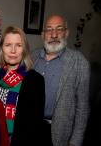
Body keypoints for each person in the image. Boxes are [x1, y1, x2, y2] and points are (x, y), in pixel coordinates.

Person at [31, 15, 90, 146]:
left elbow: (83, 108)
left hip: (60, 135)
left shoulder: (79, 62)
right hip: (30, 130)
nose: (54, 35)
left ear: (66, 33)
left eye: (59, 29)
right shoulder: (32, 58)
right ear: (43, 35)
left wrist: (75, 142)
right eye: (49, 30)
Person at [0, 26, 46, 145]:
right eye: (8, 45)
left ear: (24, 50)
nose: (13, 50)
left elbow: (34, 126)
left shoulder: (35, 81)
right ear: (1, 48)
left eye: (18, 45)